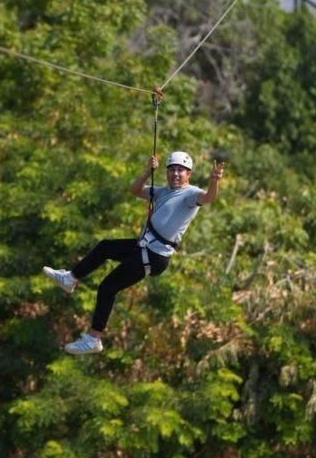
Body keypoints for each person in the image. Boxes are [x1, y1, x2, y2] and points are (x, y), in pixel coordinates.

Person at [43, 151, 224, 355]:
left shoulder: (190, 195)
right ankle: (70, 278)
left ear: (188, 174)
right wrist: (148, 172)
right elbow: (135, 190)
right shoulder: (162, 192)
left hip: (154, 256)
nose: (175, 174)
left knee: (107, 287)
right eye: (172, 170)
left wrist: (214, 181)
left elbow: (208, 198)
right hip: (143, 246)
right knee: (105, 247)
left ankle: (93, 339)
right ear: (166, 172)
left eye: (180, 170)